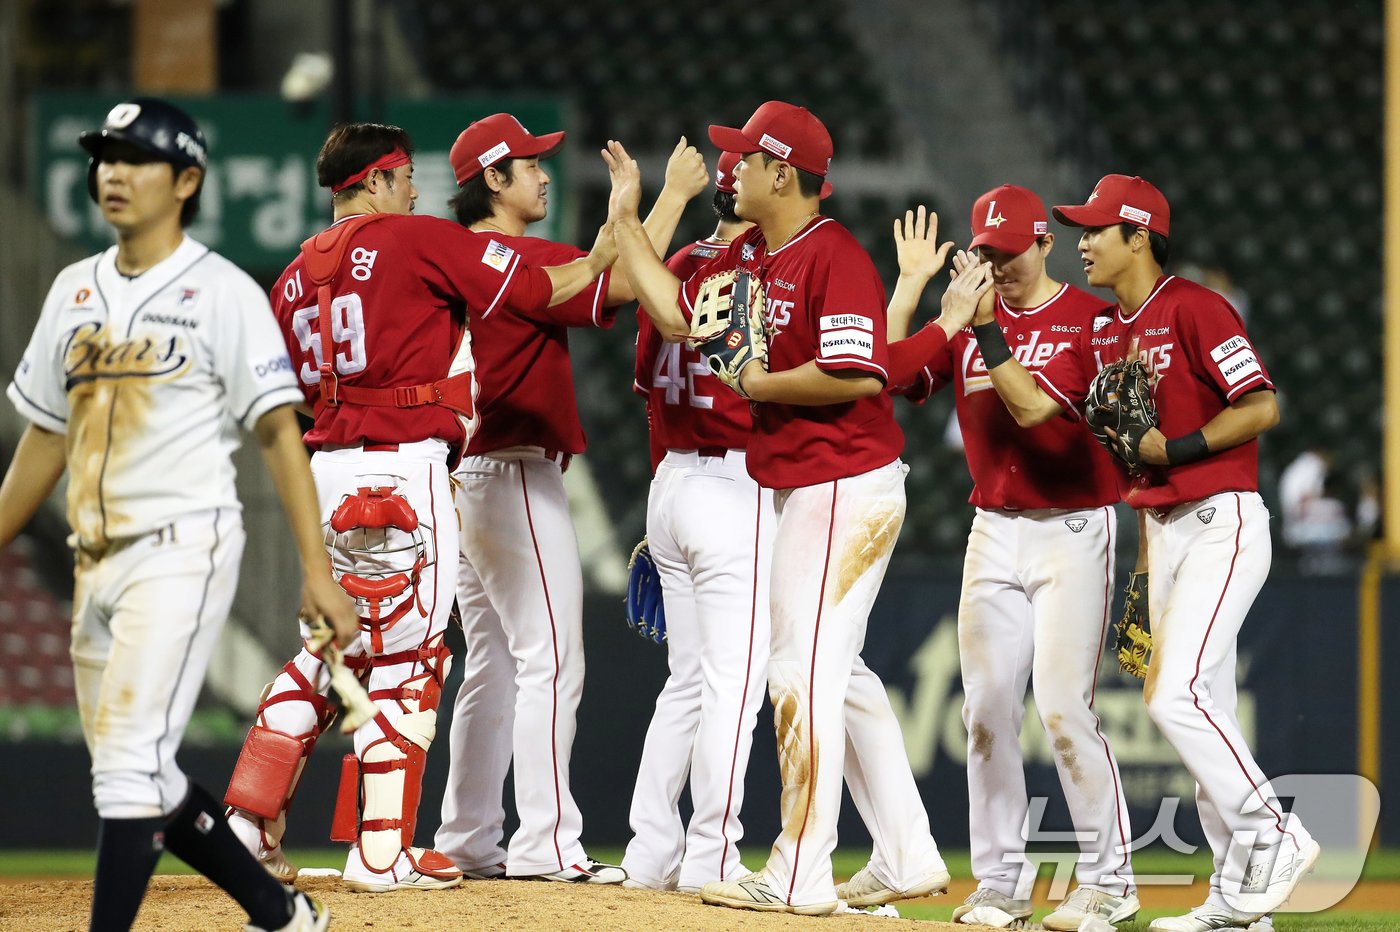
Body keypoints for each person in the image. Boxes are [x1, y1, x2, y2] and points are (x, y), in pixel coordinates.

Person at [222, 120, 618, 893]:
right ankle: (380, 853)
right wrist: (607, 248)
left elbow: (281, 396)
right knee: (409, 664)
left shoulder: (295, 274)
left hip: (328, 469)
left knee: (334, 655)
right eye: (402, 177)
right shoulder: (414, 240)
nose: (414, 190)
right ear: (372, 181)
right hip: (403, 469)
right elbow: (538, 288)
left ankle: (244, 822)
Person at [0, 97, 356, 932]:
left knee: (127, 772)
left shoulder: (222, 293)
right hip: (94, 559)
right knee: (142, 776)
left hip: (183, 546)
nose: (113, 173)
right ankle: (277, 910)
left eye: (136, 157)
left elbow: (278, 432)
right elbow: (44, 442)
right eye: (104, 157)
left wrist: (315, 570)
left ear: (188, 178)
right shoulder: (72, 290)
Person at [606, 101, 952, 916]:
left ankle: (800, 869)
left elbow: (861, 372)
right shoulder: (759, 255)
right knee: (840, 675)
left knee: (797, 675)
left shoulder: (831, 255)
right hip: (805, 488)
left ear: (783, 173)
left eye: (745, 160)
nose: (732, 171)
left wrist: (760, 385)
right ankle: (907, 850)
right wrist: (627, 219)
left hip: (844, 485)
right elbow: (675, 315)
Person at [951, 174, 1318, 931]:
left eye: (1095, 230)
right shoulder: (1113, 330)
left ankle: (1276, 834)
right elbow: (1122, 458)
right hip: (1167, 527)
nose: (1082, 241)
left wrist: (1175, 444)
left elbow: (1261, 405)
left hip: (1223, 516)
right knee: (1202, 703)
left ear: (1139, 236)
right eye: (1079, 230)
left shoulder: (1194, 306)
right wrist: (1143, 580)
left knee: (1173, 697)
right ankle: (1237, 902)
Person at [431, 114, 706, 884]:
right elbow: (623, 281)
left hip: (473, 477)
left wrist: (629, 215)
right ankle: (545, 843)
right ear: (492, 178)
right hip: (514, 471)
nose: (544, 174)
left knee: (489, 664)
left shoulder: (475, 258)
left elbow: (599, 272)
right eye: (528, 164)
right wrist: (666, 201)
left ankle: (468, 835)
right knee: (551, 659)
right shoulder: (509, 257)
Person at [886, 185, 1138, 929]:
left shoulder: (1086, 322)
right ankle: (998, 881)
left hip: (1072, 526)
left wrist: (980, 326)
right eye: (986, 252)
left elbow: (1038, 416)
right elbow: (894, 377)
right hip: (993, 526)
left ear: (1045, 243)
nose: (999, 264)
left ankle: (1109, 880)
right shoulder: (966, 320)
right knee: (987, 711)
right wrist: (915, 296)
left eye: (1011, 249)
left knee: (1063, 709)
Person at [619, 150, 773, 893]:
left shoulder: (677, 262)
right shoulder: (755, 274)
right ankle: (712, 857)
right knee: (733, 688)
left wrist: (660, 505)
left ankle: (649, 853)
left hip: (673, 477)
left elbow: (649, 389)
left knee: (686, 682)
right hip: (731, 483)